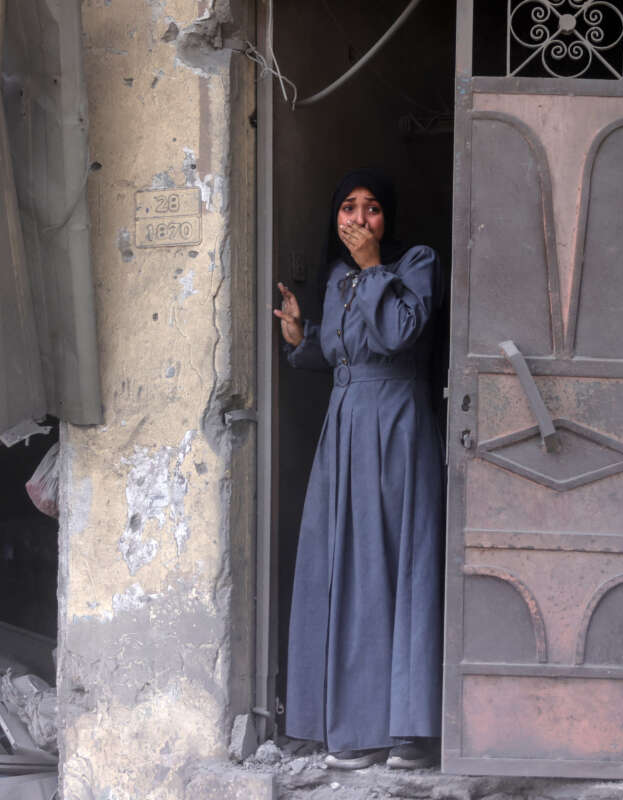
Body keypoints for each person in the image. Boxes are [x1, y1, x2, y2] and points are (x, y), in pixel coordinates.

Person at [274, 169, 444, 771]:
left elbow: (397, 335)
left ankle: (410, 732)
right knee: (347, 568)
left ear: (386, 221)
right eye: (348, 208)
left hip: (395, 429)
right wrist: (304, 335)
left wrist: (375, 266)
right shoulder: (338, 279)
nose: (359, 218)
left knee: (395, 567)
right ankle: (356, 725)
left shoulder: (415, 264)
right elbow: (347, 351)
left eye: (372, 209)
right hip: (345, 432)